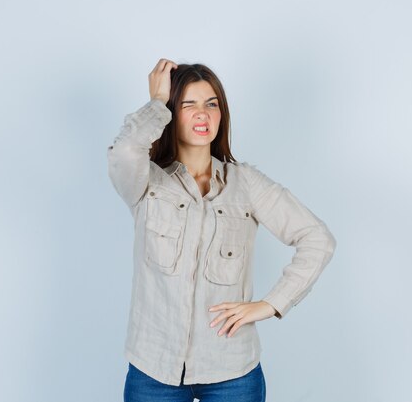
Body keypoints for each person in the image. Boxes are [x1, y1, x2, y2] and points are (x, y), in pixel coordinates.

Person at [107, 58, 336, 402]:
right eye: (189, 104)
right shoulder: (146, 182)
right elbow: (125, 150)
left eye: (211, 104)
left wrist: (271, 304)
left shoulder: (246, 184)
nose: (203, 114)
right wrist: (156, 102)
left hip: (233, 372)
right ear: (172, 113)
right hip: (153, 370)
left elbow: (317, 238)